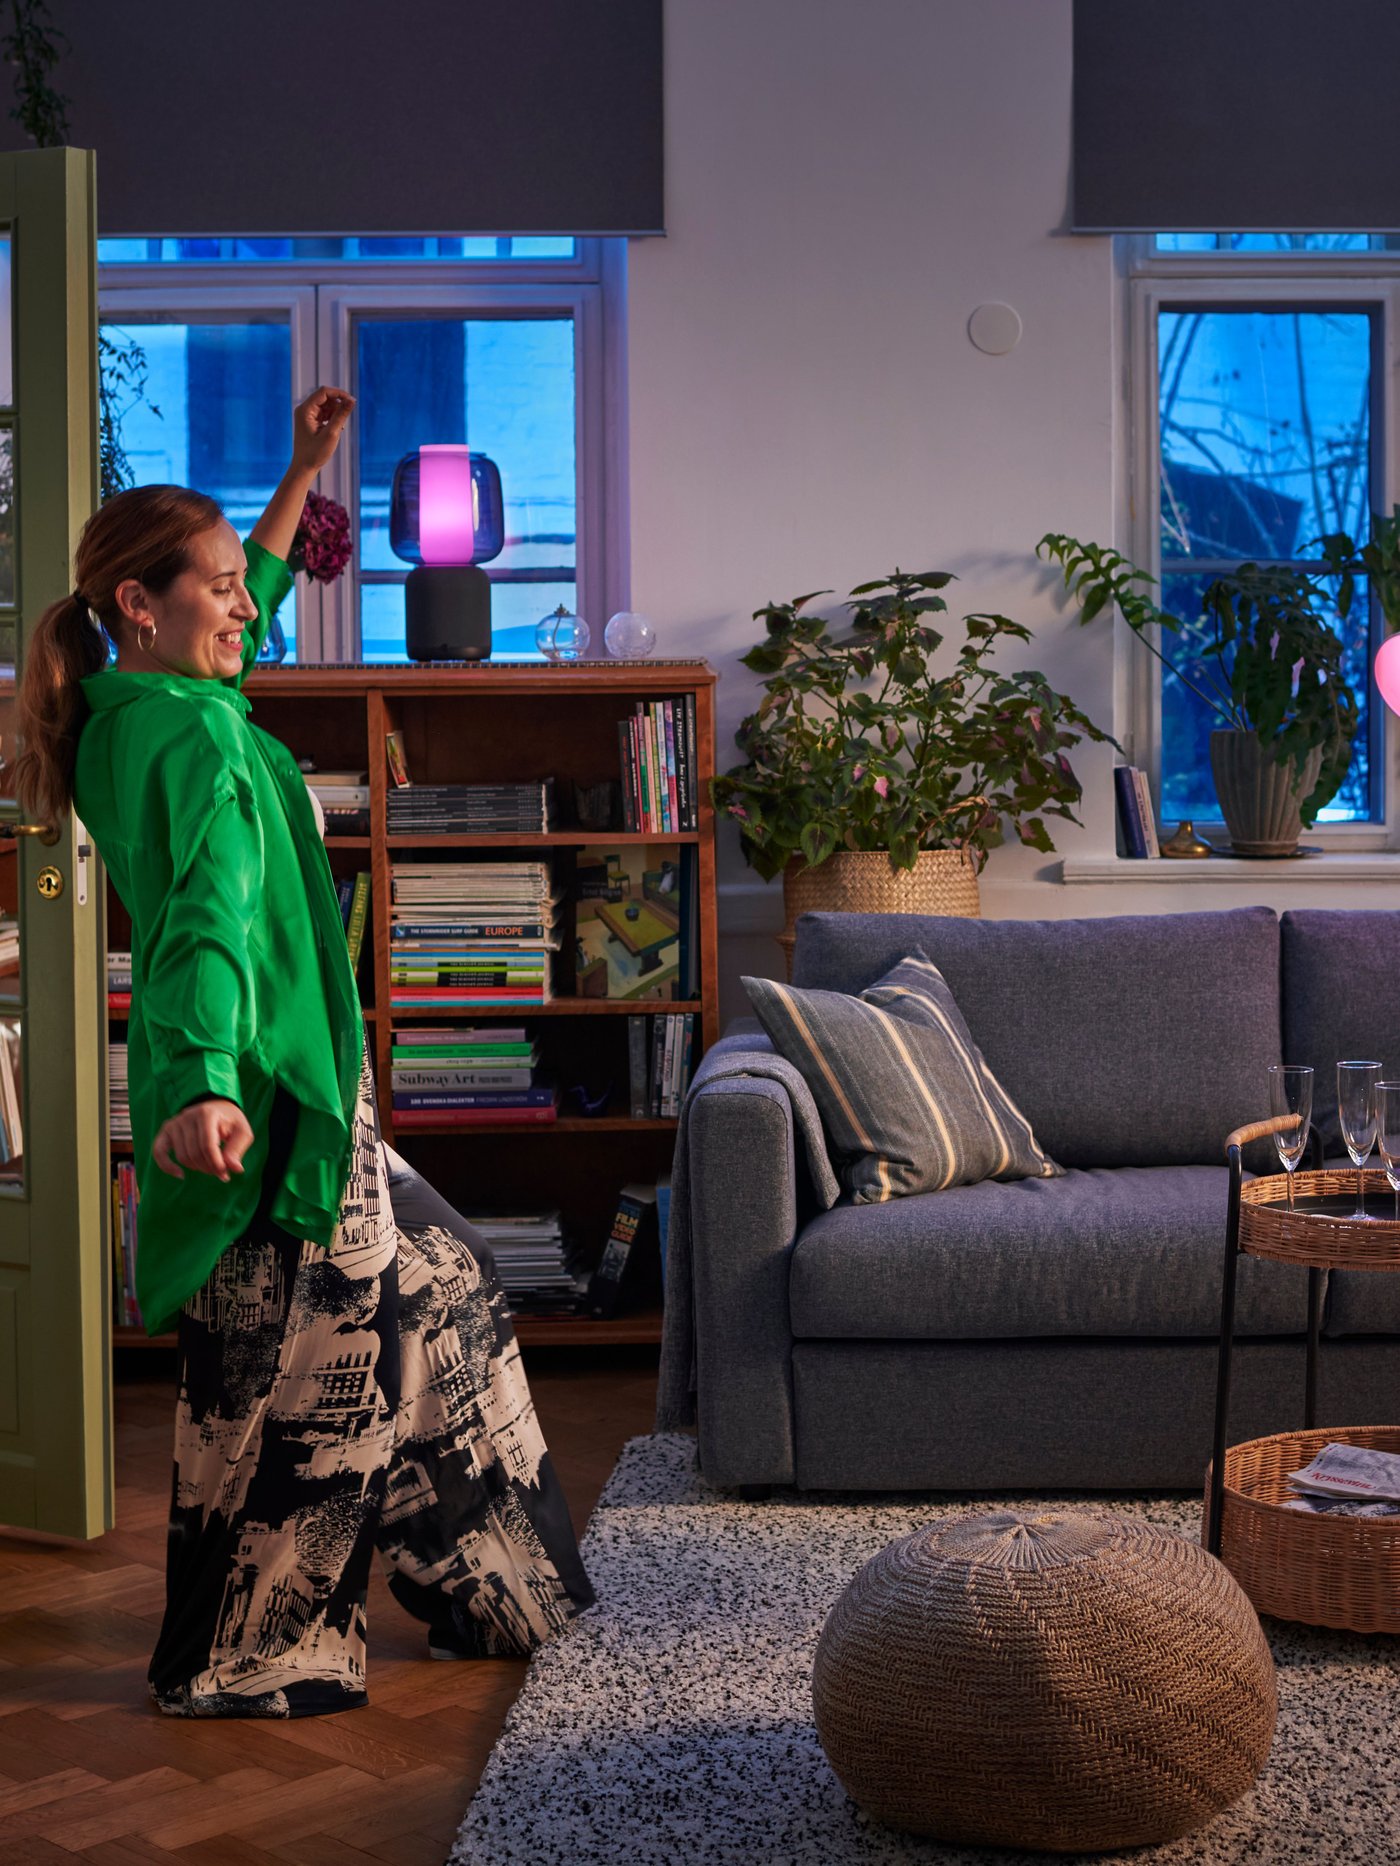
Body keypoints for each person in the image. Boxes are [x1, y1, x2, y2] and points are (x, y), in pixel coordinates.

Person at [11, 386, 595, 1717]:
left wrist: (299, 470)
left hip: (301, 1085)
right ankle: (256, 1651)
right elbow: (203, 928)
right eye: (212, 589)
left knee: (442, 1287)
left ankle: (499, 1594)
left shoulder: (129, 710)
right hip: (270, 1089)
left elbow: (248, 597)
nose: (244, 605)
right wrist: (210, 1080)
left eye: (236, 584)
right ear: (140, 607)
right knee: (313, 1376)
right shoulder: (199, 737)